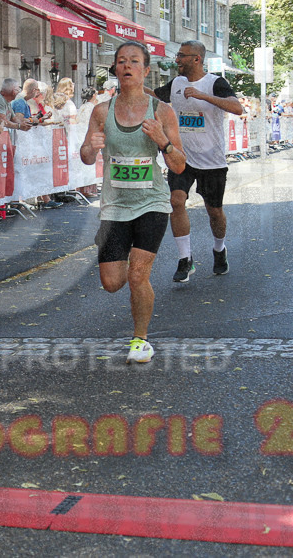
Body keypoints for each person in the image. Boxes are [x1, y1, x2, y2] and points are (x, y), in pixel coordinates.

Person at [80, 41, 186, 364]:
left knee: (139, 275)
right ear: (115, 69)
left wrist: (163, 142)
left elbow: (180, 164)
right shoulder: (102, 111)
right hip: (115, 206)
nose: (127, 67)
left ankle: (140, 340)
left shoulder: (162, 112)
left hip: (152, 203)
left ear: (146, 70)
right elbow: (85, 156)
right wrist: (92, 147)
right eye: (121, 62)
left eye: (134, 61)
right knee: (112, 282)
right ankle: (131, 270)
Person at [153, 40, 243, 283]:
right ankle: (185, 259)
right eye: (178, 55)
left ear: (197, 59)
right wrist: (131, 82)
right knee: (176, 201)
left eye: (182, 56)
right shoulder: (177, 84)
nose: (177, 60)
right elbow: (154, 95)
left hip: (212, 160)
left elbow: (237, 108)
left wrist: (204, 96)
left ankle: (219, 249)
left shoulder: (215, 83)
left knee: (214, 212)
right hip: (182, 157)